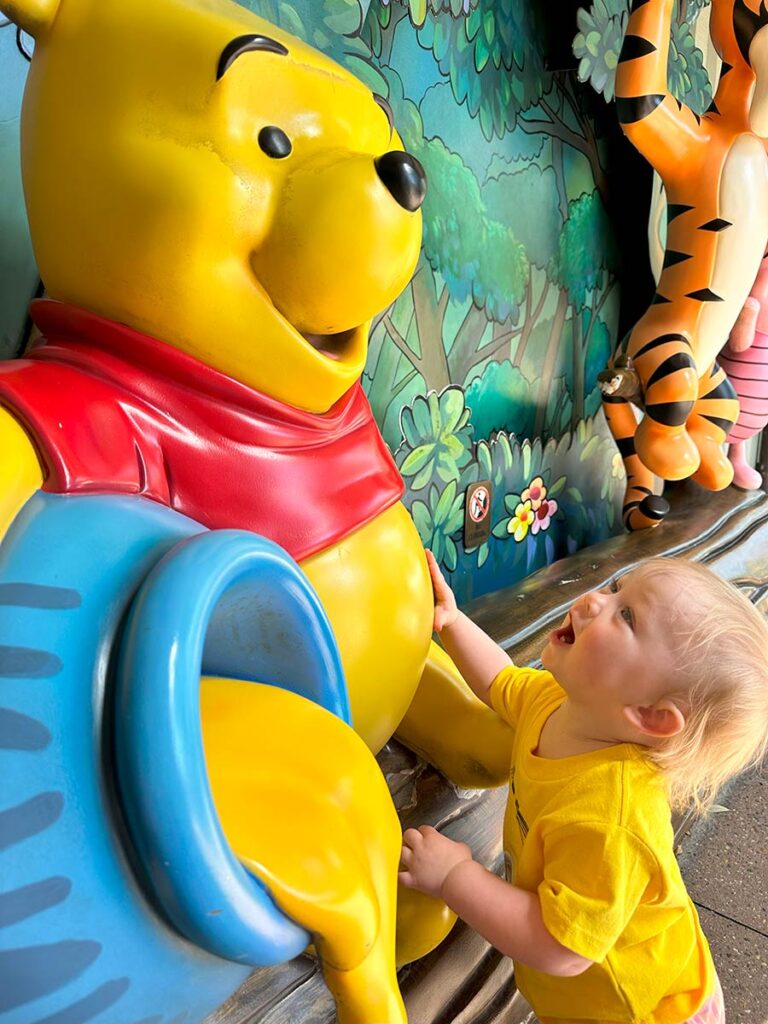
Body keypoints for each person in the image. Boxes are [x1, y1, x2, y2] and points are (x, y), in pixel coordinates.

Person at [400, 552, 768, 1024]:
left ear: (651, 715)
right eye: (617, 589)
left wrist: (454, 877)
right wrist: (451, 622)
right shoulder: (559, 704)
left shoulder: (610, 818)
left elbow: (561, 947)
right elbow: (498, 680)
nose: (595, 600)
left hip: (639, 1010)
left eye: (628, 616)